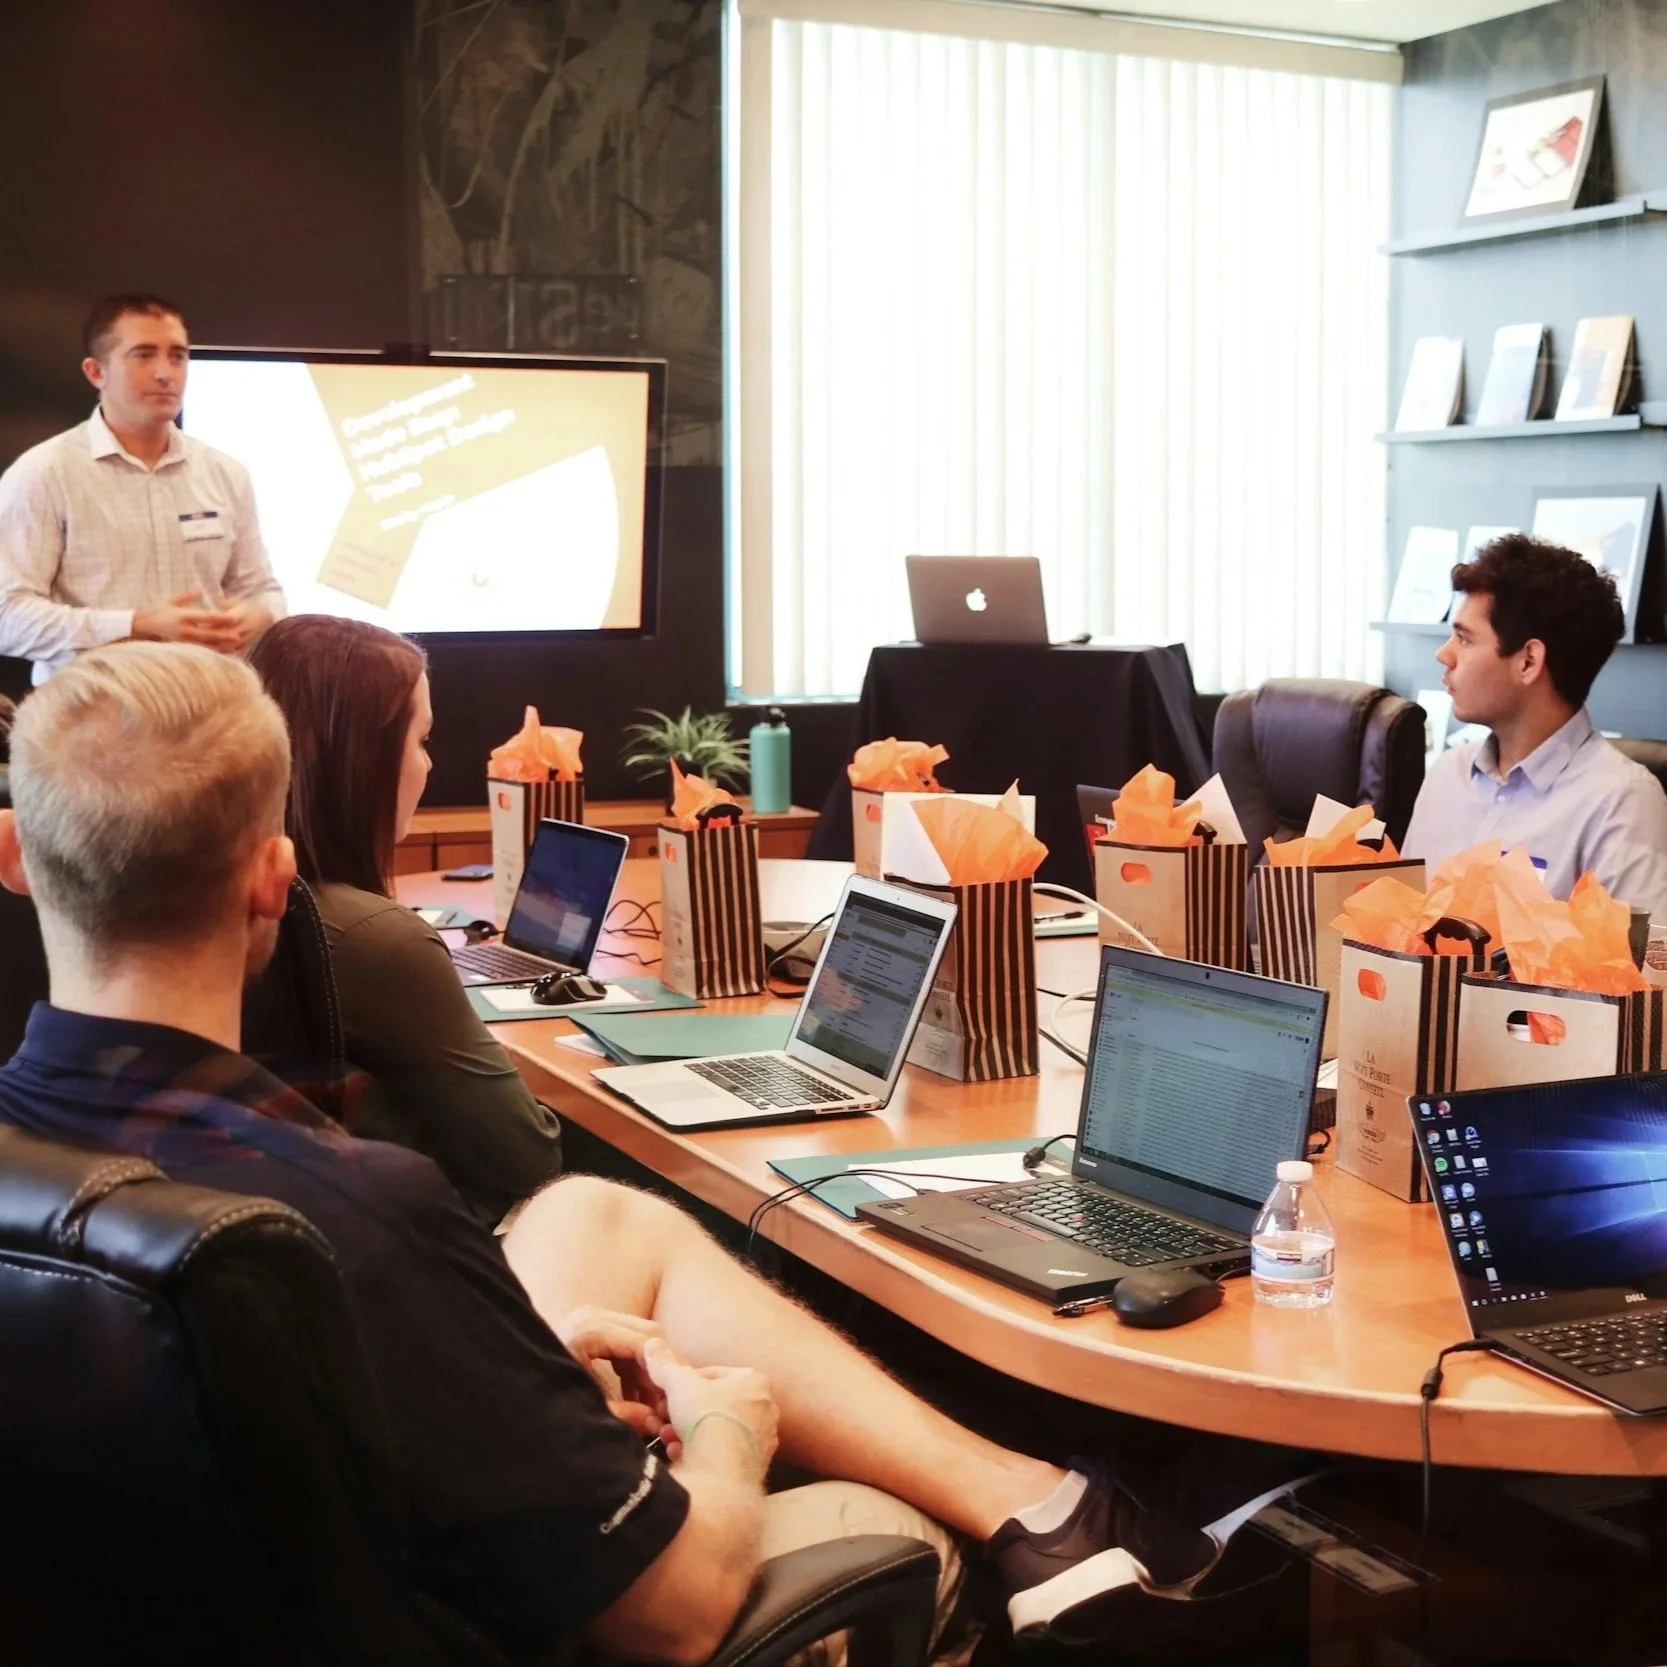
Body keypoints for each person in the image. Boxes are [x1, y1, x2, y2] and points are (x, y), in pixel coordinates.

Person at [0, 642, 1309, 1661]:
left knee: (595, 1211)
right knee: (870, 1523)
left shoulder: (58, 1164)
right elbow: (673, 1611)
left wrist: (505, 1370)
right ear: (273, 879)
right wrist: (730, 1431)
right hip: (497, 1620)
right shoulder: (359, 1212)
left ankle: (1037, 1494)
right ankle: (1051, 1529)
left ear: (17, 856)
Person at [249, 614, 561, 1224]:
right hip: (431, 1252)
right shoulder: (378, 939)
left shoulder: (219, 898)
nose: (429, 765)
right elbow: (531, 1160)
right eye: (420, 740)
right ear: (361, 760)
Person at [0, 293, 284, 683]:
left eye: (178, 355)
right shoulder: (44, 474)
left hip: (212, 708)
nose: (166, 373)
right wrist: (136, 624)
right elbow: (8, 618)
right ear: (96, 372)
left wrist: (260, 615)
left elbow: (263, 591)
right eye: (143, 354)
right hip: (92, 718)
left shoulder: (224, 472)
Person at [1404, 534, 1667, 920]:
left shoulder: (1621, 801)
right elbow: (1396, 931)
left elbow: (1638, 972)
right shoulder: (1447, 774)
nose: (1444, 655)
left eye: (1464, 638)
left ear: (1528, 661)